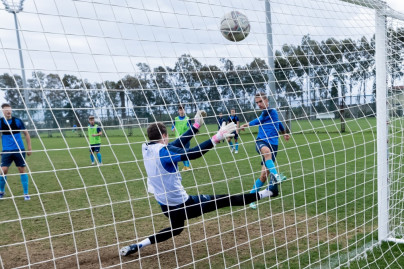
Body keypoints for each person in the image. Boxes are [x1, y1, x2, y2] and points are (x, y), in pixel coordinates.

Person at [119, 111, 279, 256]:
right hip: (184, 204)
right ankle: (269, 192)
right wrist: (216, 138)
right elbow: (193, 153)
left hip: (165, 206)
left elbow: (178, 142)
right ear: (164, 135)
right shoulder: (164, 153)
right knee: (225, 200)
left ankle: (138, 245)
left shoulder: (146, 148)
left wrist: (196, 126)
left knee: (177, 228)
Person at [240, 92, 290, 210]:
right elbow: (260, 119)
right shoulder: (265, 113)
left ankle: (251, 199)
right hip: (261, 141)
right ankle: (277, 176)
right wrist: (247, 125)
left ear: (267, 101)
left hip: (274, 145)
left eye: (260, 101)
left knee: (263, 176)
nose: (258, 104)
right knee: (267, 152)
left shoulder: (272, 112)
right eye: (257, 102)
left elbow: (279, 124)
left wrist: (284, 133)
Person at [0, 103, 32, 201]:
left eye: (9, 109)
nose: (8, 111)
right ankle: (1, 191)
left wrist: (29, 147)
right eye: (6, 110)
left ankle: (26, 193)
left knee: (22, 170)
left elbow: (26, 134)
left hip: (19, 150)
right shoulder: (0, 122)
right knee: (2, 171)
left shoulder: (18, 121)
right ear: (2, 111)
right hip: (6, 151)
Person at [171, 105, 192, 171]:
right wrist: (173, 128)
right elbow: (172, 128)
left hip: (186, 138)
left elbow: (191, 128)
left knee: (186, 151)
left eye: (182, 109)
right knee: (181, 153)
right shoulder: (176, 119)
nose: (181, 111)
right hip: (178, 139)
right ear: (178, 111)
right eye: (180, 110)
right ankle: (185, 166)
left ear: (184, 110)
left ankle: (187, 166)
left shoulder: (188, 119)